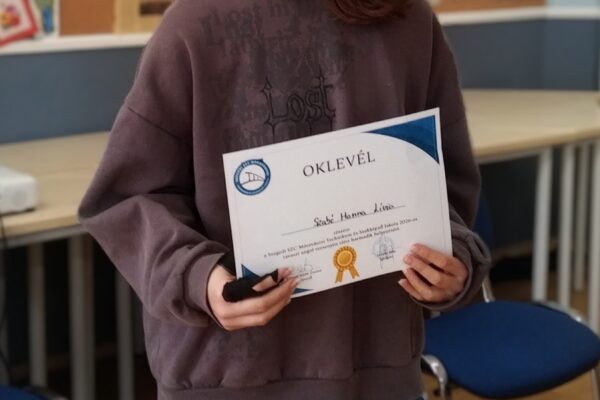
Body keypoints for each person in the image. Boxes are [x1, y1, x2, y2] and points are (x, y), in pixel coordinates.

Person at [79, 0, 491, 398]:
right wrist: (199, 278)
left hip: (377, 374)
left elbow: (444, 181)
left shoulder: (408, 20)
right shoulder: (191, 26)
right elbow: (128, 198)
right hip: (227, 377)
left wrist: (450, 259)